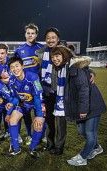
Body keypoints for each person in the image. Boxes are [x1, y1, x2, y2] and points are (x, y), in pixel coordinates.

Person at [49, 46, 106, 166]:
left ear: (64, 55)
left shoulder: (75, 67)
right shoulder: (64, 68)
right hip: (82, 105)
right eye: (52, 57)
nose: (54, 59)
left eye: (57, 55)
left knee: (90, 133)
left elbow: (83, 90)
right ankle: (97, 147)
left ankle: (82, 157)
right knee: (81, 131)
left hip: (91, 105)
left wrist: (83, 110)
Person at [4, 56, 45, 158]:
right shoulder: (12, 80)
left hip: (38, 103)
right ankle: (16, 149)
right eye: (12, 67)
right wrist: (10, 107)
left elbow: (37, 98)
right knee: (12, 120)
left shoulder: (33, 77)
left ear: (22, 66)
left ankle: (32, 149)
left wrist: (39, 115)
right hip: (24, 102)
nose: (15, 69)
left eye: (17, 66)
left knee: (39, 125)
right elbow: (16, 97)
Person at [14, 24, 44, 146]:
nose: (30, 35)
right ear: (25, 34)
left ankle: (42, 135)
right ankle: (29, 135)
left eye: (32, 33)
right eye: (28, 33)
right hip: (24, 87)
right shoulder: (19, 50)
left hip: (38, 86)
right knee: (26, 113)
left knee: (40, 111)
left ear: (36, 35)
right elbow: (13, 67)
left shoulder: (42, 48)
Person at [38, 27, 67, 155]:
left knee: (60, 120)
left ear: (58, 39)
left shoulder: (64, 51)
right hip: (47, 91)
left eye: (53, 37)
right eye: (48, 38)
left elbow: (78, 63)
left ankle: (59, 146)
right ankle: (50, 144)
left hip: (61, 92)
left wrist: (91, 72)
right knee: (48, 119)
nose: (50, 40)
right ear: (45, 39)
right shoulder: (41, 53)